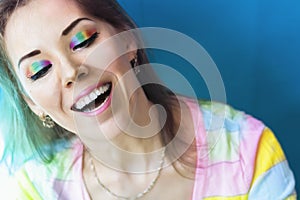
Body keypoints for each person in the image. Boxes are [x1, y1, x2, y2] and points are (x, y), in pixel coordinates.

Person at [0, 0, 296, 199]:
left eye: (82, 40)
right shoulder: (34, 189)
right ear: (33, 103)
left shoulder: (248, 152)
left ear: (128, 40)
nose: (72, 72)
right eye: (39, 70)